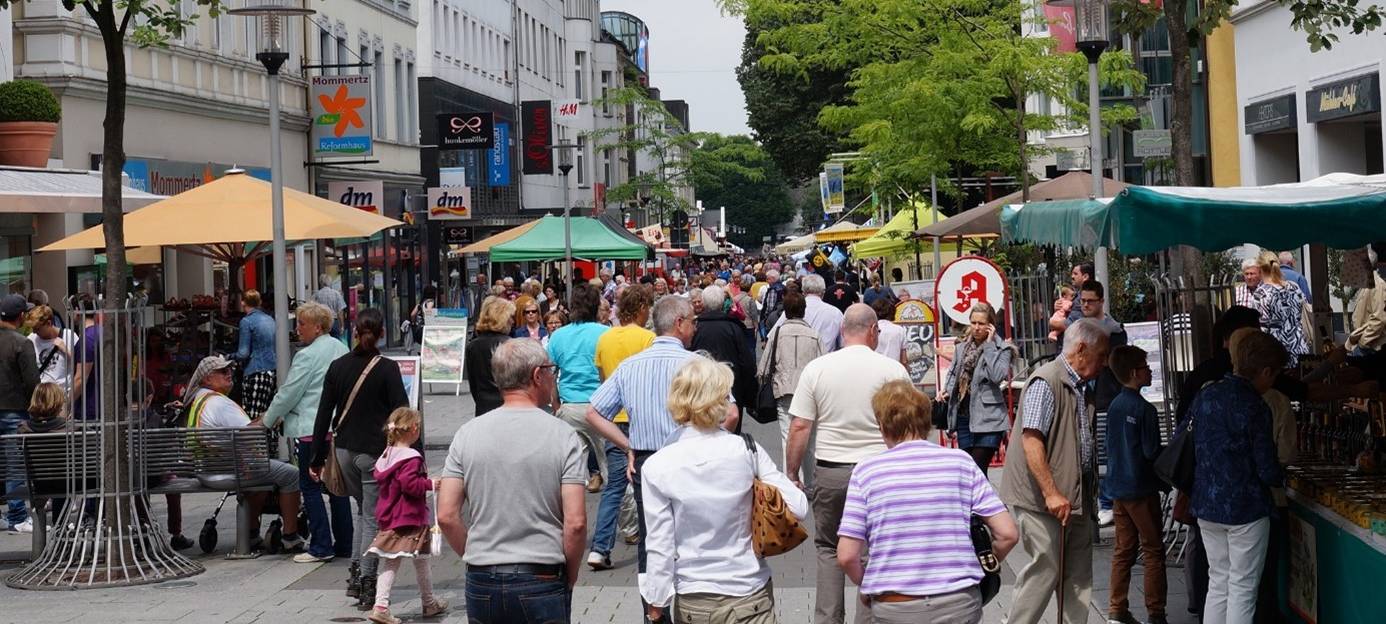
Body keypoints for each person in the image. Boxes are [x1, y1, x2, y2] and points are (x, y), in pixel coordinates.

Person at [584, 296, 739, 598]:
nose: (696, 327)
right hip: (692, 457)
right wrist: (714, 443)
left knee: (652, 539)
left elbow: (593, 413)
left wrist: (629, 445)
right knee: (695, 535)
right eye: (693, 321)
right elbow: (731, 414)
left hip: (647, 460)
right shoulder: (698, 366)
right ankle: (694, 600)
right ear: (679, 323)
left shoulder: (631, 366)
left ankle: (654, 608)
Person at [641, 356, 809, 624]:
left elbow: (660, 544)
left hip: (695, 597)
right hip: (750, 592)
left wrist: (656, 605)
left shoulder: (658, 465)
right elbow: (798, 507)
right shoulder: (747, 451)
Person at [837, 380, 1018, 624]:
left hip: (895, 605)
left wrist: (869, 585)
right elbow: (1008, 534)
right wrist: (982, 565)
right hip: (958, 600)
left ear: (882, 427)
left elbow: (847, 555)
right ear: (927, 421)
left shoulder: (866, 472)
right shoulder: (961, 463)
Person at [437, 339, 587, 623]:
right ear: (537, 375)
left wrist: (475, 552)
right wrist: (570, 572)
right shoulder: (562, 435)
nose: (553, 377)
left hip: (483, 576)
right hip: (541, 573)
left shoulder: (467, 434)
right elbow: (576, 522)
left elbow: (446, 515)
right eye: (551, 370)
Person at [785, 303, 910, 624]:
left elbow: (799, 425)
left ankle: (828, 618)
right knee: (872, 549)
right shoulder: (892, 370)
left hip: (832, 471)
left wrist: (792, 472)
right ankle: (868, 618)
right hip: (880, 472)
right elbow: (908, 427)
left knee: (829, 546)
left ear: (843, 331)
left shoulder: (818, 369)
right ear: (873, 331)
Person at [999, 318, 1110, 624]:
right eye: (1102, 355)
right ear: (1082, 349)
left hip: (1074, 495)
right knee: (1045, 566)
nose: (1105, 363)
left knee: (1078, 574)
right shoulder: (1047, 380)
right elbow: (1031, 440)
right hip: (1041, 498)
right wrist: (1050, 492)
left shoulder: (1081, 385)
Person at [310, 309, 409, 605]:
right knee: (372, 518)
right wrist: (411, 454)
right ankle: (367, 581)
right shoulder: (388, 368)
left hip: (343, 451)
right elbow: (402, 414)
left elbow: (323, 413)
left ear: (354, 332)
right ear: (381, 334)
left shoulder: (338, 366)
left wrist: (316, 457)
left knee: (363, 513)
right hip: (373, 453)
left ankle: (356, 576)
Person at [1187, 331, 1287, 624]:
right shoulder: (1255, 405)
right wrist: (1280, 477)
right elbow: (1266, 468)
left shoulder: (1206, 394)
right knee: (1243, 587)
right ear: (1265, 371)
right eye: (1275, 375)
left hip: (1206, 504)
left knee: (1218, 581)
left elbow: (1186, 438)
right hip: (1246, 508)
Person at [261, 302, 353, 564]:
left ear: (318, 327)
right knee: (337, 486)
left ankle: (321, 546)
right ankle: (345, 543)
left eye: (302, 323)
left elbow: (289, 393)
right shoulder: (341, 348)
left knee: (309, 487)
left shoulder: (307, 355)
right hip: (338, 428)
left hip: (312, 430)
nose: (297, 329)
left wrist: (267, 420)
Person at [182, 355, 303, 552]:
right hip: (230, 471)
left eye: (230, 370)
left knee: (261, 476)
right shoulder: (219, 404)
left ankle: (252, 534)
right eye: (222, 371)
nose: (229, 374)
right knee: (291, 475)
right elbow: (250, 434)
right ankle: (290, 537)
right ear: (207, 379)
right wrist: (271, 417)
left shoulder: (199, 400)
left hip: (206, 471)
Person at [586, 285, 655, 569]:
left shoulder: (605, 338)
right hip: (641, 420)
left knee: (614, 487)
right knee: (648, 486)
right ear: (642, 308)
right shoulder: (648, 338)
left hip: (614, 420)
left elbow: (604, 379)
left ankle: (599, 549)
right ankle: (652, 546)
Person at [364, 408, 447, 624]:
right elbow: (410, 485)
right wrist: (430, 484)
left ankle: (426, 602)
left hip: (390, 514)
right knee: (413, 561)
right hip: (409, 516)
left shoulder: (387, 455)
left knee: (401, 560)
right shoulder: (411, 458)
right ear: (414, 429)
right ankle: (383, 606)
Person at [1104, 346, 1168, 624]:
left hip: (1118, 487)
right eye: (1145, 367)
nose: (1149, 371)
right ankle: (1156, 612)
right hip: (1142, 488)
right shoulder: (1145, 410)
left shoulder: (1115, 406)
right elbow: (1151, 452)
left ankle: (1117, 609)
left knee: (1123, 550)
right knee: (1153, 549)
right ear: (1134, 373)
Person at [547, 283, 611, 494]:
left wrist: (556, 405)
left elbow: (550, 374)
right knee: (610, 468)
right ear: (595, 306)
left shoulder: (558, 336)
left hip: (570, 407)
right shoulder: (606, 333)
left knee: (570, 474)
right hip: (601, 407)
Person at [757, 291, 823, 486]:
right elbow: (822, 364)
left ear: (785, 311)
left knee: (788, 437)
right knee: (809, 440)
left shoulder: (777, 334)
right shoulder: (814, 335)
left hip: (784, 388)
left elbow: (763, 368)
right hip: (809, 392)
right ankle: (810, 483)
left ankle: (792, 482)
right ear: (804, 311)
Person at [941, 302, 1015, 474]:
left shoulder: (1003, 349)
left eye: (981, 323)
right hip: (964, 418)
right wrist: (946, 390)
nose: (976, 328)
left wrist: (989, 346)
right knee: (969, 473)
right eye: (973, 322)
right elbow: (953, 373)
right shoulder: (961, 348)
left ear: (991, 326)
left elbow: (997, 376)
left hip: (989, 418)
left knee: (978, 469)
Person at [692, 286, 759, 425]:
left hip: (702, 387)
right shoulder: (734, 327)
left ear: (703, 303)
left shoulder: (695, 328)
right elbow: (747, 363)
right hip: (731, 388)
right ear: (722, 303)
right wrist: (750, 395)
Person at [0, 293, 37, 532]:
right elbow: (32, 381)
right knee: (15, 465)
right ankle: (17, 516)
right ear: (21, 316)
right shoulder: (22, 343)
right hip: (15, 409)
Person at [1251, 251, 1309, 367]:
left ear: (1260, 269)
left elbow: (1262, 328)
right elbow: (1303, 309)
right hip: (1299, 347)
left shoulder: (1261, 294)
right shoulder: (1293, 286)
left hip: (1276, 353)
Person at [466, 298, 515, 417]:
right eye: (510, 317)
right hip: (508, 406)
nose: (512, 321)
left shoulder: (472, 346)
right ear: (502, 318)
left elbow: (473, 384)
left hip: (483, 405)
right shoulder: (510, 344)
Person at [234, 290, 277, 420]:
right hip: (273, 371)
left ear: (243, 303)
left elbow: (243, 353)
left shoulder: (246, 321)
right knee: (269, 417)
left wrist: (229, 357)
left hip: (255, 371)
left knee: (253, 418)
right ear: (260, 302)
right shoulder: (270, 319)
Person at [774, 273, 843, 354]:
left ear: (803, 292)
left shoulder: (794, 308)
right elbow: (843, 343)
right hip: (825, 358)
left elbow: (774, 334)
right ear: (823, 292)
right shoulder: (836, 313)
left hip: (796, 357)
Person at [26, 305, 78, 394]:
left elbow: (81, 366)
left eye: (37, 329)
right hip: (41, 394)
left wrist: (66, 351)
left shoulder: (69, 336)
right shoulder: (31, 339)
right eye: (33, 329)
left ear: (49, 323)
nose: (34, 332)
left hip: (62, 394)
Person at [1048, 263, 1093, 336]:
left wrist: (1052, 323)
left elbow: (1072, 324)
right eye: (1072, 274)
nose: (1072, 276)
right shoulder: (1078, 295)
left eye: (1075, 274)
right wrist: (1060, 309)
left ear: (1085, 277)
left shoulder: (1084, 298)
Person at [871, 298, 906, 365]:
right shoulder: (899, 330)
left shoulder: (872, 329)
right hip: (894, 368)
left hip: (876, 367)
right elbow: (904, 360)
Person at [313, 274, 349, 339]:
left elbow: (314, 310)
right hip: (334, 321)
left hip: (322, 322)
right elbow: (340, 312)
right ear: (330, 282)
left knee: (323, 341)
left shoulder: (317, 294)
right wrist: (342, 326)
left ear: (321, 283)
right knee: (336, 341)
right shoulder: (336, 294)